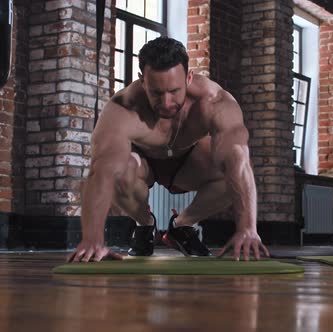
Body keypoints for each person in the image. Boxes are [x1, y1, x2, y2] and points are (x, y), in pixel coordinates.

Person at [67, 37, 269, 262]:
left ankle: (181, 226)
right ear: (142, 81)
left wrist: (247, 229)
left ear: (189, 77)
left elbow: (238, 159)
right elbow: (101, 170)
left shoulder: (214, 102)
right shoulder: (123, 108)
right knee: (118, 170)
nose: (166, 102)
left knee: (231, 171)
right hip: (142, 164)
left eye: (174, 91)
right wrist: (93, 239)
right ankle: (145, 225)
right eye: (157, 93)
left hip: (189, 163)